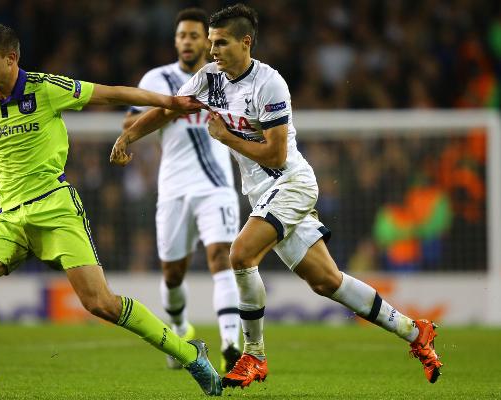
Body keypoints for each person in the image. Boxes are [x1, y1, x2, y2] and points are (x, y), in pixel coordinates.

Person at [111, 3, 443, 390]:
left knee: (240, 254)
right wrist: (129, 134)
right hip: (261, 193)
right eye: (211, 43)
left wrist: (225, 136)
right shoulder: (210, 77)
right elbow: (173, 108)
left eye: (220, 43)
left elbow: (276, 154)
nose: (212, 50)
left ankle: (254, 355)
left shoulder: (269, 83)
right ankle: (414, 331)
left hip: (291, 184)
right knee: (327, 282)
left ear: (245, 42)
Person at [0, 24, 222, 398]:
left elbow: (112, 94)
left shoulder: (45, 88)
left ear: (11, 58)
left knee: (101, 304)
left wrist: (170, 102)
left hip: (55, 210)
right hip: (10, 218)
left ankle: (191, 355)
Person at [122, 8, 241, 373]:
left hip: (217, 185)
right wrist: (174, 106)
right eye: (181, 36)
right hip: (173, 187)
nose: (187, 41)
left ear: (206, 41)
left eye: (194, 35)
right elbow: (129, 120)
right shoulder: (158, 78)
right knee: (172, 273)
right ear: (175, 41)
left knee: (222, 256)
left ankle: (231, 345)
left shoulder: (224, 79)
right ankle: (179, 331)